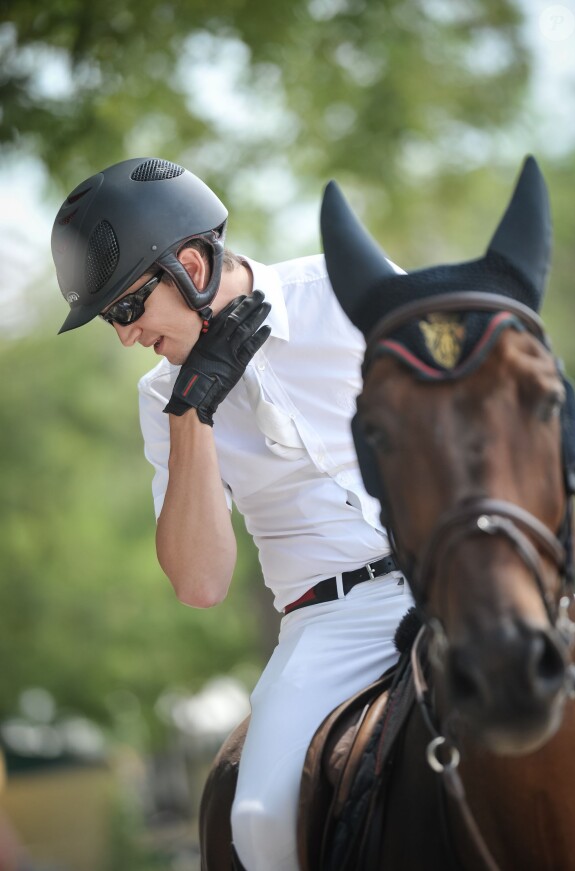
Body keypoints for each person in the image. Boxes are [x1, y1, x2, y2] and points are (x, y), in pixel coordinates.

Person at [51, 157, 413, 871]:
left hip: (461, 574)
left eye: (125, 309)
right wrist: (193, 411)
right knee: (258, 819)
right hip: (330, 622)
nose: (125, 335)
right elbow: (200, 584)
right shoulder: (160, 399)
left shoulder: (349, 289)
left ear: (189, 266)